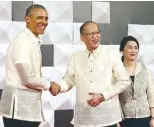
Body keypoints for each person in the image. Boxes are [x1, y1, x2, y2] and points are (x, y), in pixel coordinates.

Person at [50, 21, 131, 127]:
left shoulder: (111, 54)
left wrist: (103, 95)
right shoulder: (76, 57)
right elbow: (69, 80)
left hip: (107, 117)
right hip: (84, 118)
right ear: (82, 37)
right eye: (90, 34)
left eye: (97, 33)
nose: (95, 36)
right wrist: (59, 87)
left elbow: (125, 81)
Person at [0, 4, 53, 127]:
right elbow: (27, 79)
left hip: (28, 112)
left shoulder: (32, 41)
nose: (44, 22)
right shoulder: (22, 42)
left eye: (46, 18)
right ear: (27, 19)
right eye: (39, 18)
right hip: (19, 113)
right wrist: (50, 85)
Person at [118, 36, 154, 127]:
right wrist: (117, 122)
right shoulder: (116, 71)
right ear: (122, 51)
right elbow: (114, 99)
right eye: (130, 47)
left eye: (136, 48)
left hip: (145, 117)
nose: (133, 50)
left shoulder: (145, 70)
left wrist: (153, 117)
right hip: (124, 118)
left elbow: (151, 95)